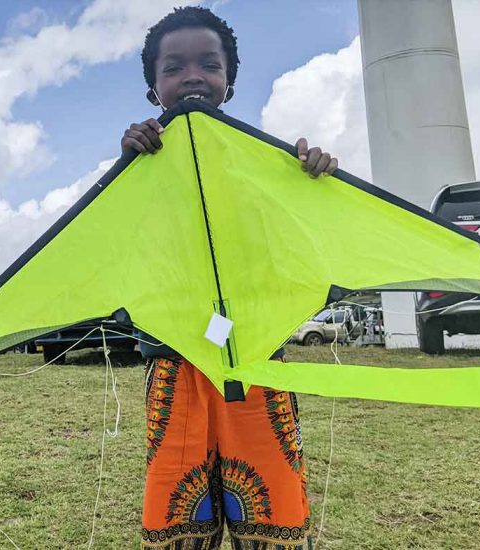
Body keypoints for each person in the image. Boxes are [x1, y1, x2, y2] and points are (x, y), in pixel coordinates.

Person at [123, 7, 337, 549]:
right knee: (177, 508)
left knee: (271, 503)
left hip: (258, 359)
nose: (192, 74)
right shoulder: (141, 160)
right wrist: (128, 162)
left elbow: (300, 239)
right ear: (154, 88)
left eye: (208, 64)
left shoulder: (265, 163)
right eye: (174, 66)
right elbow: (126, 239)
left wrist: (313, 180)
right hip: (175, 361)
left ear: (229, 81)